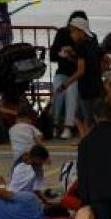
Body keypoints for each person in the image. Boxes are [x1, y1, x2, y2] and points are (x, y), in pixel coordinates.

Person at [49, 11, 89, 139]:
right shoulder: (62, 33)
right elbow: (52, 55)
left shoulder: (88, 38)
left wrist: (73, 54)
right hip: (63, 72)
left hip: (77, 76)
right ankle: (55, 124)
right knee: (57, 89)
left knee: (72, 91)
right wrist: (62, 53)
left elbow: (87, 63)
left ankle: (68, 126)